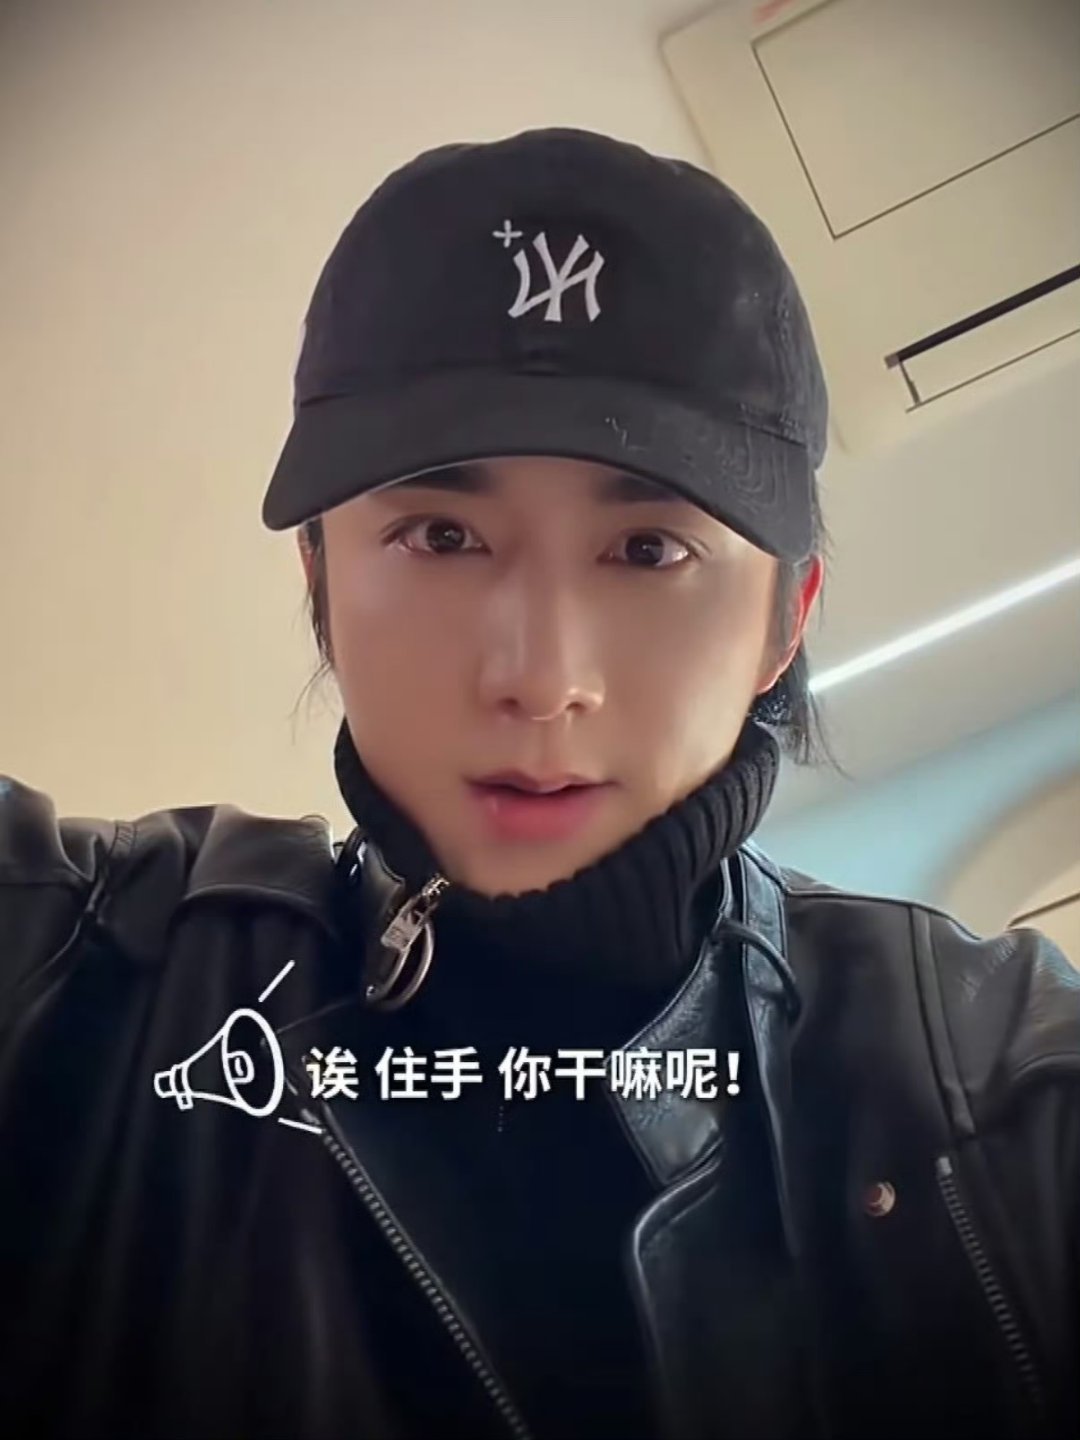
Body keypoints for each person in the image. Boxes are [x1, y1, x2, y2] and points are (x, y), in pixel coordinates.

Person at [0, 127, 1076, 1440]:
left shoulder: (1005, 1083)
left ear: (784, 622)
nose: (541, 678)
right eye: (442, 535)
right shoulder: (81, 971)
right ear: (320, 577)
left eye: (648, 550)